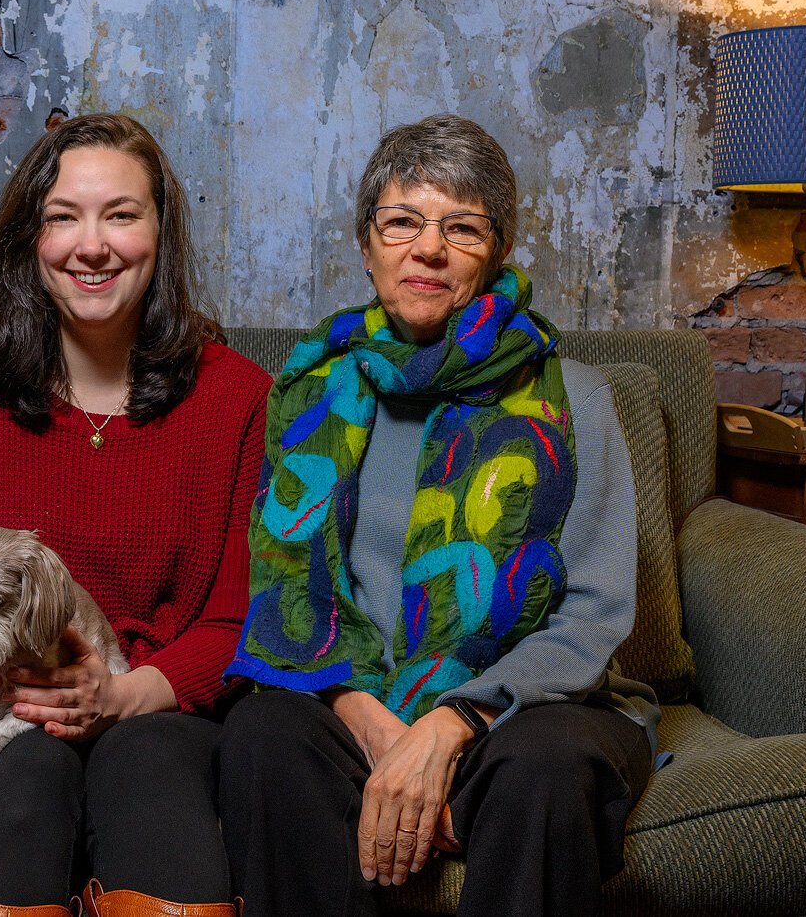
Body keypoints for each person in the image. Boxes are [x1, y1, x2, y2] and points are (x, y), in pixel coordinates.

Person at [220, 114, 659, 917]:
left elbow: (593, 616)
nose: (428, 249)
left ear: (495, 254)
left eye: (462, 227)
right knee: (261, 740)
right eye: (402, 223)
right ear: (367, 247)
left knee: (544, 770)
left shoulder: (574, 399)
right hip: (356, 701)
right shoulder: (312, 397)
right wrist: (379, 729)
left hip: (528, 709)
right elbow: (292, 599)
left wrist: (451, 724)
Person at [0, 113, 269, 916]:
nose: (92, 245)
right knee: (26, 770)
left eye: (121, 214)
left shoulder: (239, 399)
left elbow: (237, 622)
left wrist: (118, 696)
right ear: (29, 241)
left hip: (151, 704)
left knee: (151, 779)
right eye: (63, 217)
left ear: (161, 233)